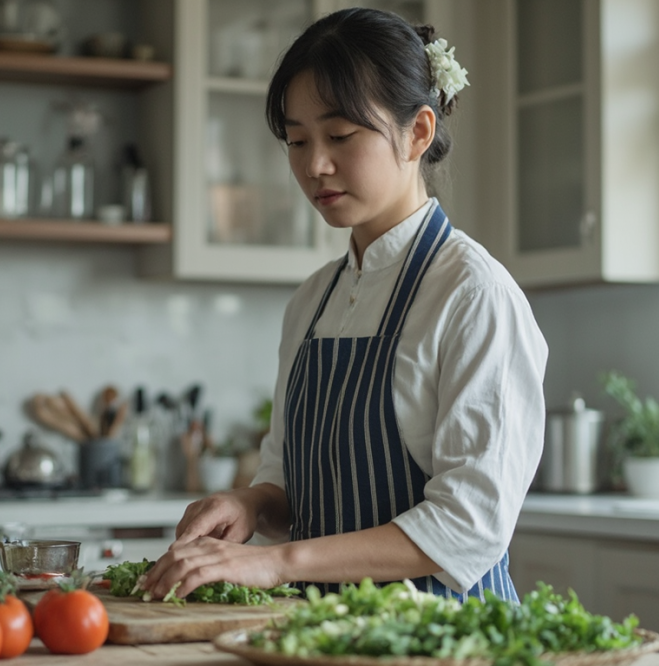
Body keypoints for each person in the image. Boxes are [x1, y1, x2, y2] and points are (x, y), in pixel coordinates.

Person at [142, 7, 547, 601]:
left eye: (339, 136)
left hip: (449, 640)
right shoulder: (311, 301)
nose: (314, 166)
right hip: (321, 637)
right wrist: (251, 502)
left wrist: (279, 563)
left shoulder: (472, 294)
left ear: (418, 133)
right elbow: (288, 485)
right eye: (297, 140)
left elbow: (467, 526)